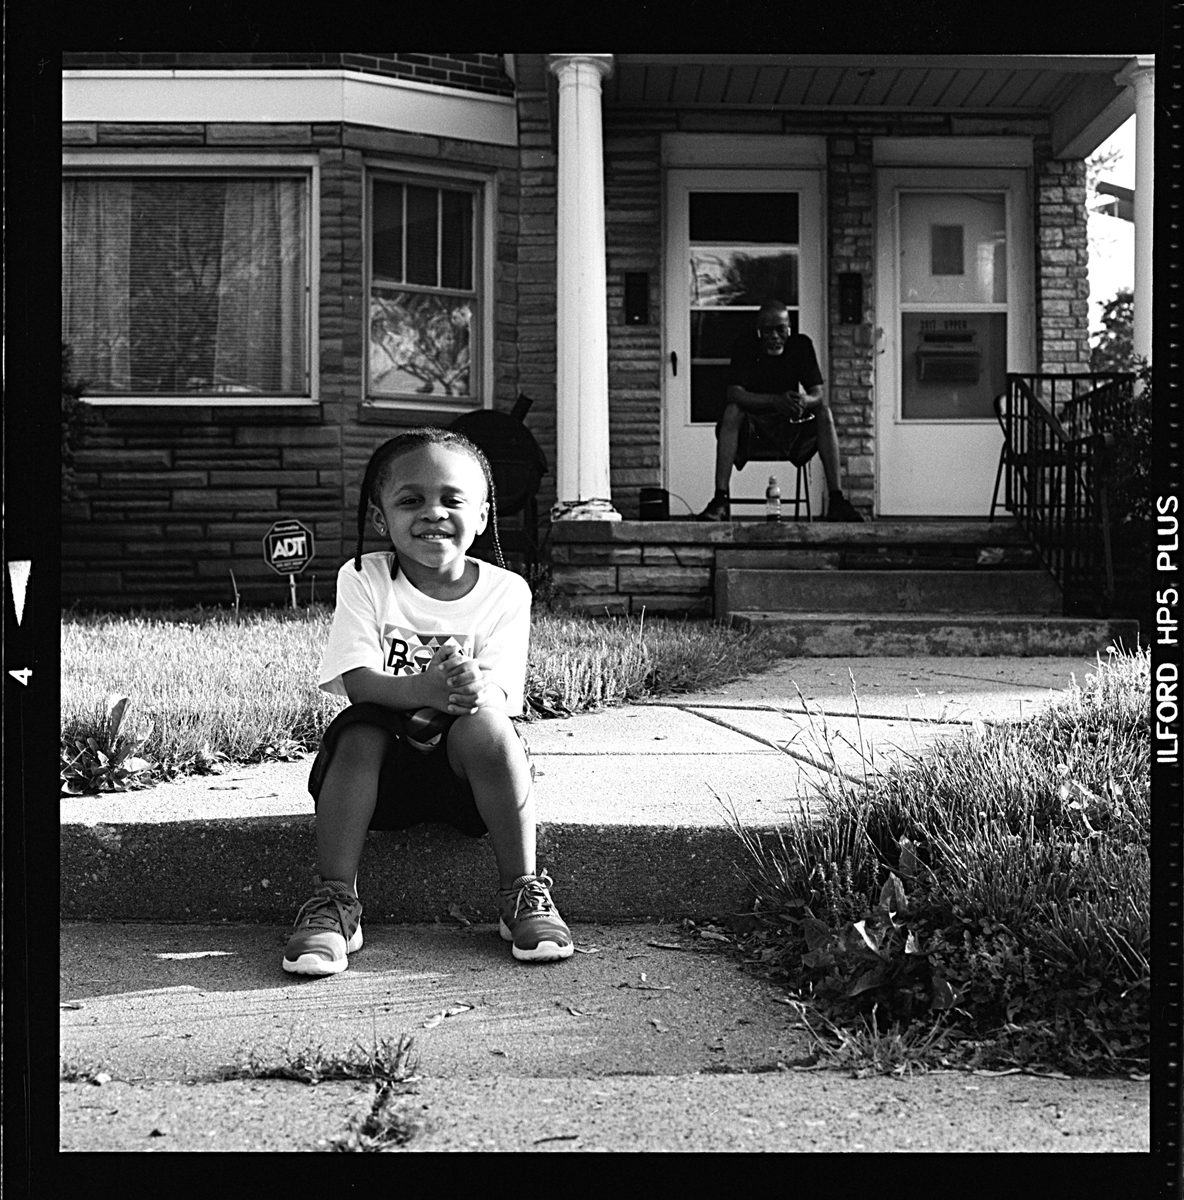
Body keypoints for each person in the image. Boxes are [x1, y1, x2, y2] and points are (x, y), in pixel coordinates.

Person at [282, 427, 573, 976]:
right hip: (381, 781)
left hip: (468, 781)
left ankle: (522, 893)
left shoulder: (506, 591)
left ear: (483, 516)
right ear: (379, 519)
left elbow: (504, 695)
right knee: (361, 727)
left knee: (485, 725)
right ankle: (334, 904)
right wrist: (424, 689)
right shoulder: (365, 578)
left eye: (452, 500)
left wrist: (463, 690)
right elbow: (357, 679)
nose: (433, 513)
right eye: (411, 500)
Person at [697, 300, 864, 522]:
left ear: (789, 328)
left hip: (790, 428)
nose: (774, 336)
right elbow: (734, 393)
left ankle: (837, 500)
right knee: (732, 411)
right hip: (753, 431)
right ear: (758, 331)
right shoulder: (745, 346)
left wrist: (803, 401)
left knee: (824, 413)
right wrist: (775, 401)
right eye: (767, 330)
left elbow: (818, 393)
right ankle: (720, 500)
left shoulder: (801, 345)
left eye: (780, 329)